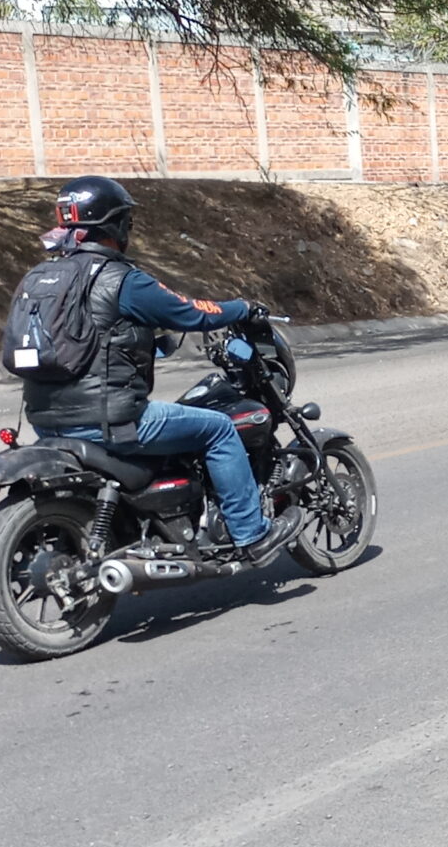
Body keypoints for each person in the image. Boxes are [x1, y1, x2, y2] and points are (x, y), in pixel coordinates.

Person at [20, 175, 288, 564]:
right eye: (126, 221)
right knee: (218, 428)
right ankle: (251, 534)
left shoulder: (43, 278)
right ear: (114, 226)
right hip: (112, 419)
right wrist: (242, 308)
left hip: (46, 420)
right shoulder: (120, 279)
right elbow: (189, 312)